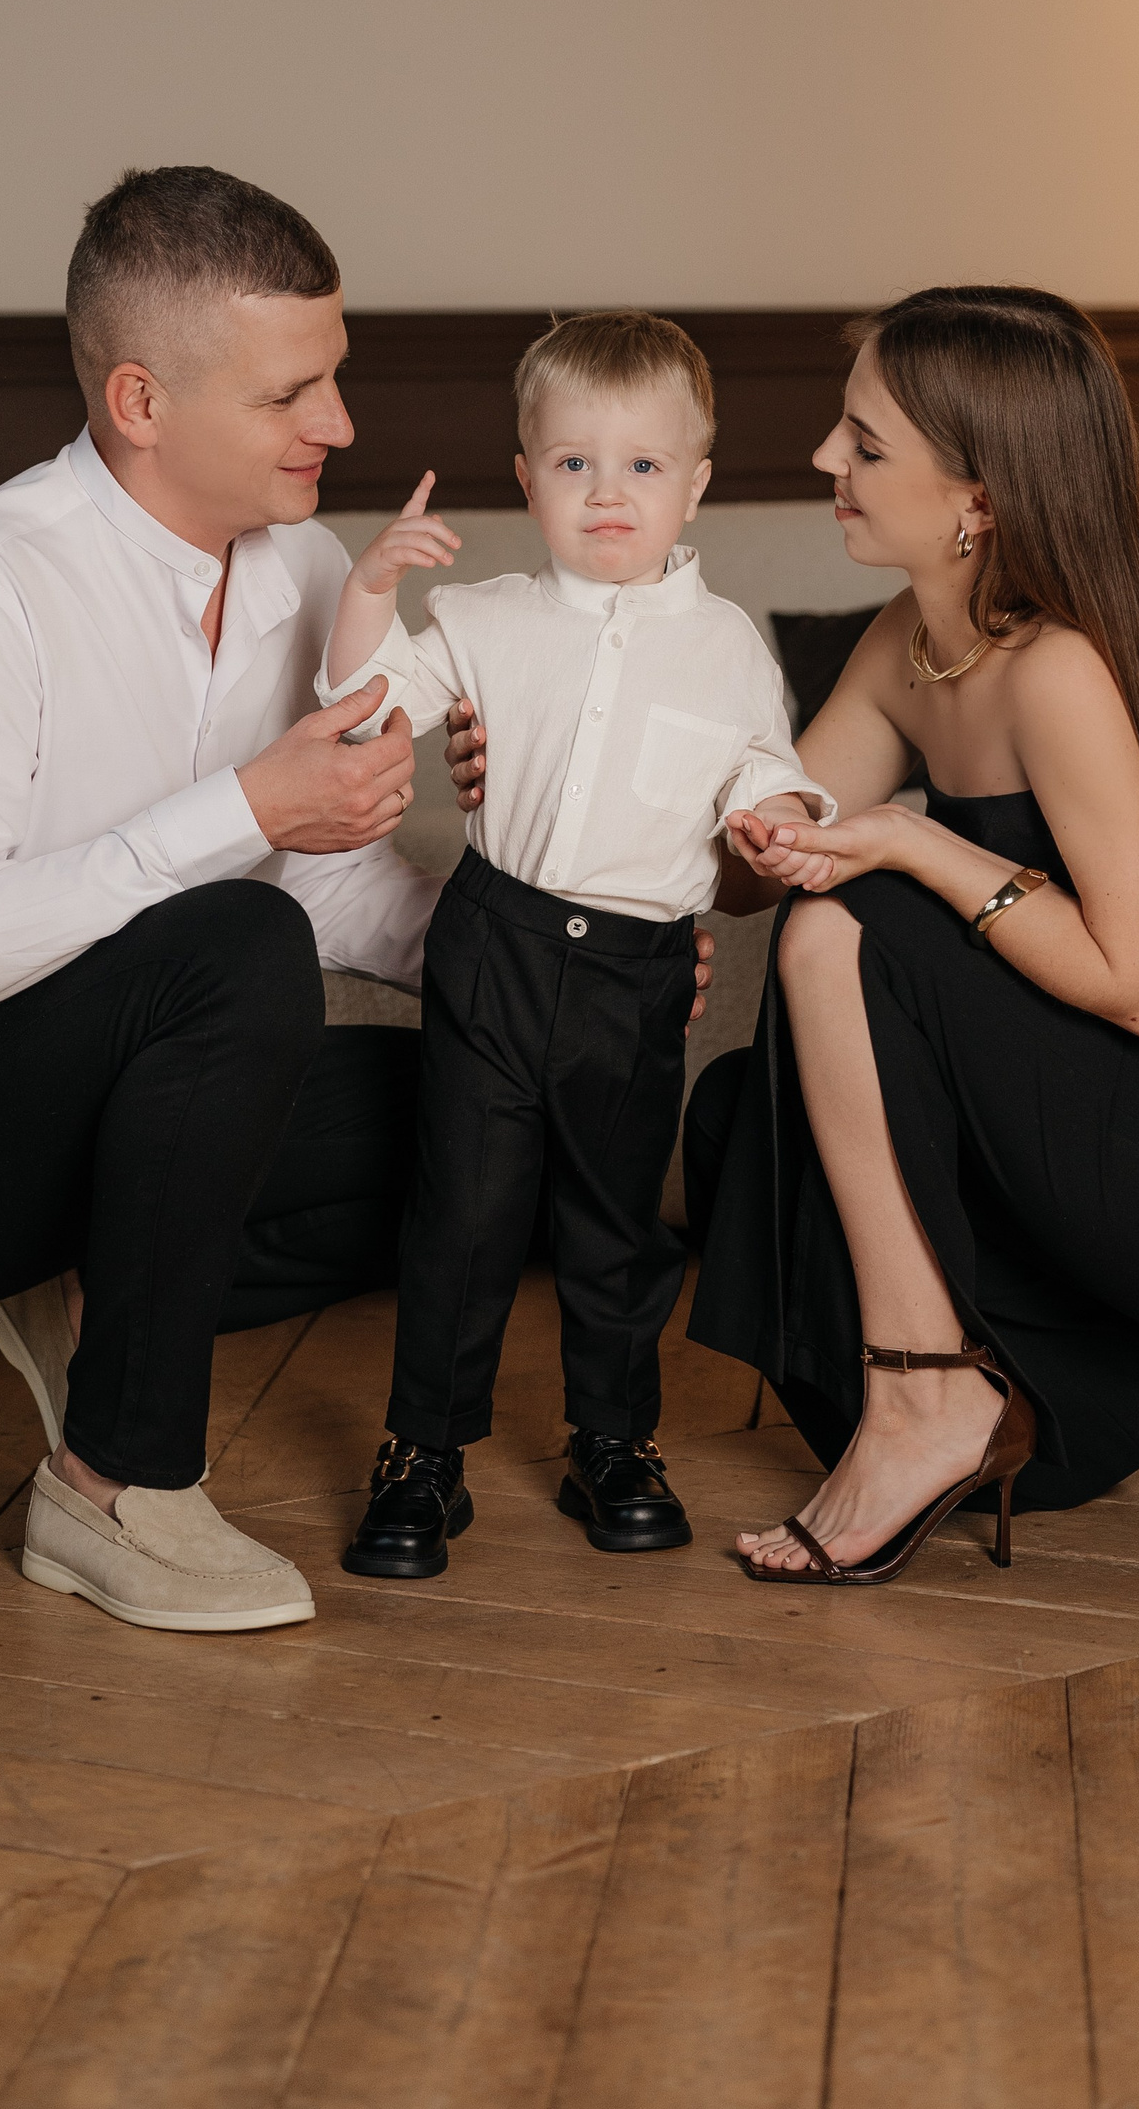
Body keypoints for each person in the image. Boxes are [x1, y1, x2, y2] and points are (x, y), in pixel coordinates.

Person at [449, 286, 1139, 1584]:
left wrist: (912, 841)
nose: (824, 456)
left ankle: (926, 1394)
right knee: (740, 1116)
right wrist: (565, 774)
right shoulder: (910, 640)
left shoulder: (1057, 666)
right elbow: (750, 871)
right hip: (1099, 1108)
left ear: (978, 498)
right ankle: (1087, 1383)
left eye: (865, 441)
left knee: (853, 923)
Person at [0, 168, 439, 1637]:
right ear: (142, 401)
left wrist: (514, 962)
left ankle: (106, 1281)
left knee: (488, 1085)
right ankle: (110, 1483)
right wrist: (246, 809)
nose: (341, 424)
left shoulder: (305, 564)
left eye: (336, 376)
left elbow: (324, 880)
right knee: (239, 940)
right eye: (292, 394)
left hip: (131, 1097)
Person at [322, 312, 832, 1579]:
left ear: (695, 485)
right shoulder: (483, 618)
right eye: (574, 463)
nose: (609, 493)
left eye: (643, 465)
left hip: (638, 972)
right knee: (463, 1211)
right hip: (492, 941)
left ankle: (613, 1439)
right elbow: (366, 707)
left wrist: (776, 816)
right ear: (525, 478)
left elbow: (762, 770)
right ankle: (423, 1453)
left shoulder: (726, 647)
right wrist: (370, 588)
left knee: (617, 1224)